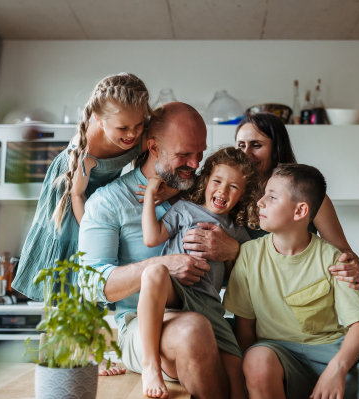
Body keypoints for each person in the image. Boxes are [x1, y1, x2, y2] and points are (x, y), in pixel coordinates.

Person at [79, 102, 239, 398]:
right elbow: (91, 285)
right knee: (193, 330)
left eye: (200, 152)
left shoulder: (208, 194)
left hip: (206, 307)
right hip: (140, 327)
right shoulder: (108, 202)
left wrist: (234, 250)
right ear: (153, 147)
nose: (195, 163)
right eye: (184, 154)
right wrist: (164, 265)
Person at [12, 73, 165, 375]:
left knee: (95, 282)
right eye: (123, 128)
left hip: (96, 199)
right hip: (71, 200)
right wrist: (91, 233)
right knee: (75, 280)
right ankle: (66, 360)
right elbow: (78, 195)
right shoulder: (83, 153)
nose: (132, 134)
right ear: (98, 118)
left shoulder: (136, 130)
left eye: (138, 125)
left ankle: (91, 355)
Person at [223, 163, 359, 399]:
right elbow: (245, 330)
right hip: (277, 355)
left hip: (332, 352)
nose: (260, 202)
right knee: (256, 359)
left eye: (271, 197)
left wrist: (337, 368)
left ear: (300, 211)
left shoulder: (332, 257)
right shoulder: (249, 255)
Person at [180, 112, 359, 289]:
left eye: (256, 145)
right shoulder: (228, 196)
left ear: (276, 149)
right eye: (241, 145)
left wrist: (350, 268)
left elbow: (344, 255)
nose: (246, 153)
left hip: (299, 294)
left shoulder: (310, 197)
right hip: (247, 302)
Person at [139, 147, 260, 398]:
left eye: (234, 187)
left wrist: (229, 252)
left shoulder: (236, 231)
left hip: (210, 306)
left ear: (243, 194)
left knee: (237, 379)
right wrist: (150, 194)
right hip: (177, 293)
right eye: (217, 181)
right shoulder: (183, 209)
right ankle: (150, 366)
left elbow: (248, 270)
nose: (223, 191)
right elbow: (152, 238)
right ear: (205, 181)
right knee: (153, 273)